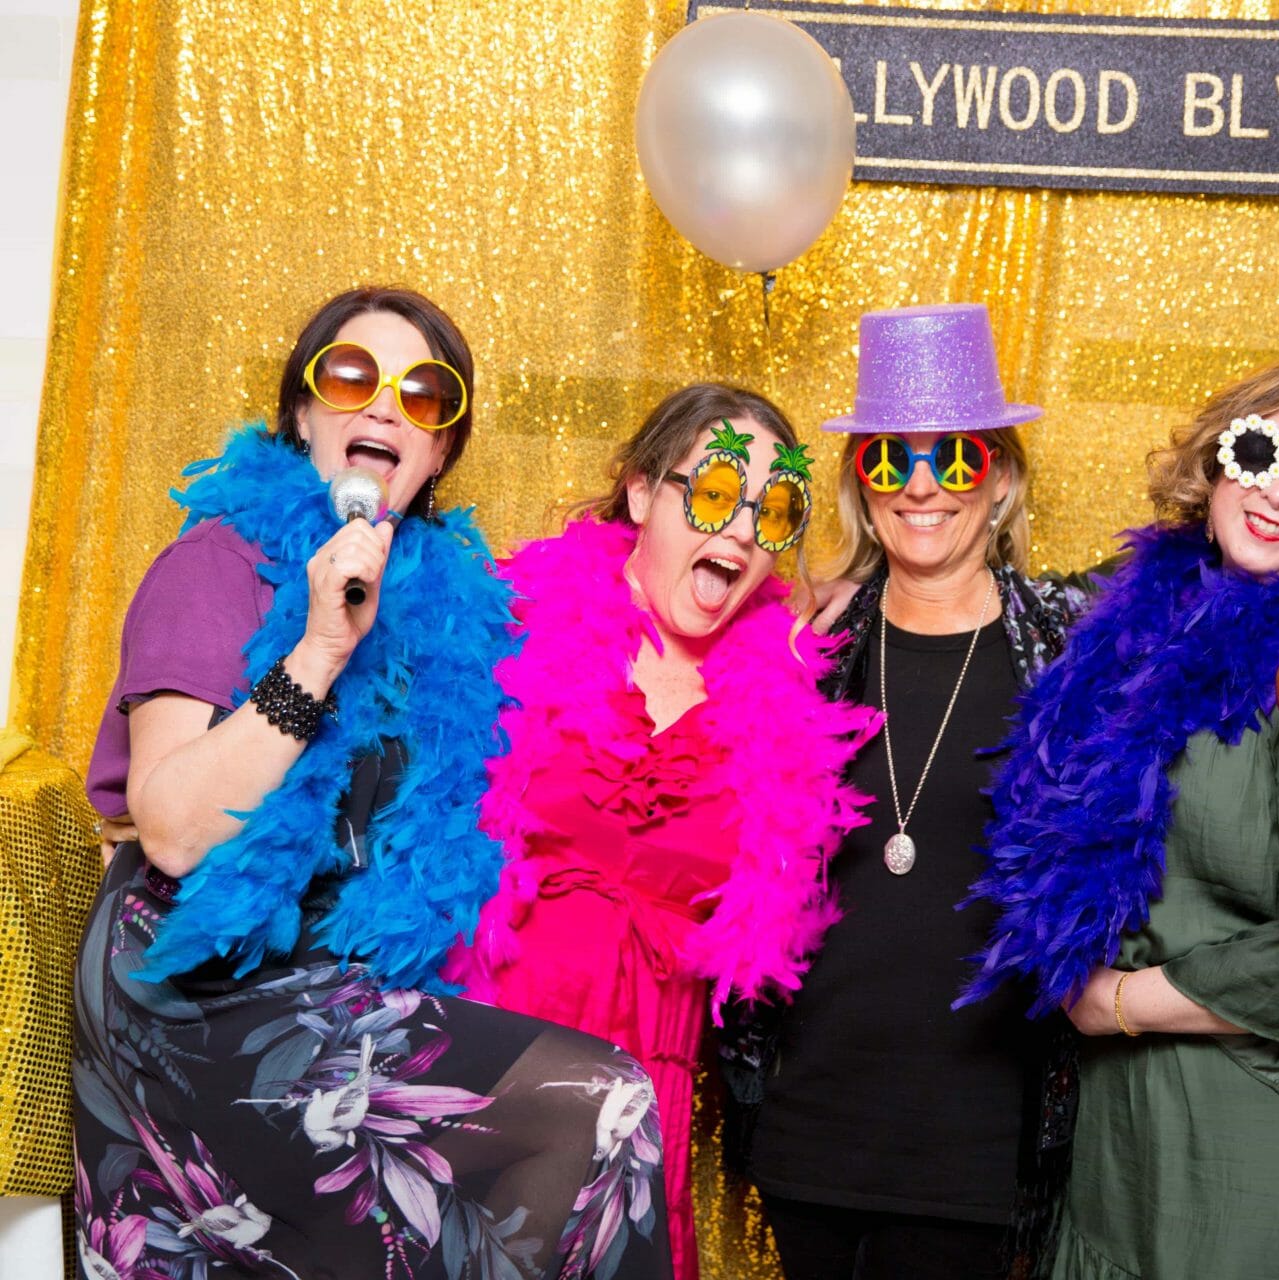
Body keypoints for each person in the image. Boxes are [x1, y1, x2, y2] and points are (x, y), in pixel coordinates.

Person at [73, 286, 673, 1280]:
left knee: (524, 1172)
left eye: (425, 395)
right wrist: (317, 649)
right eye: (352, 377)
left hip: (331, 989)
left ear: (440, 451)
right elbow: (174, 831)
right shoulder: (217, 565)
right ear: (301, 411)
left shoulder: (440, 609)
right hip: (191, 991)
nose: (387, 406)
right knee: (603, 1101)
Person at [962, 359, 1279, 1280]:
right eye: (1259, 453)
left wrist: (1117, 1003)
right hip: (1136, 1133)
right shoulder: (1154, 630)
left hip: (1273, 1149)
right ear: (1218, 462)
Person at [443, 385, 877, 1280]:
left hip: (646, 1083)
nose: (741, 530)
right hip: (489, 1049)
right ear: (642, 492)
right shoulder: (517, 623)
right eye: (713, 495)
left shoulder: (788, 687)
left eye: (772, 512)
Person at [731, 304, 1092, 1280]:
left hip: (976, 1133)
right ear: (863, 480)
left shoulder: (1067, 649)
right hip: (812, 1119)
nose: (922, 485)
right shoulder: (808, 648)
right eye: (890, 459)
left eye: (957, 459)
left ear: (1002, 477)